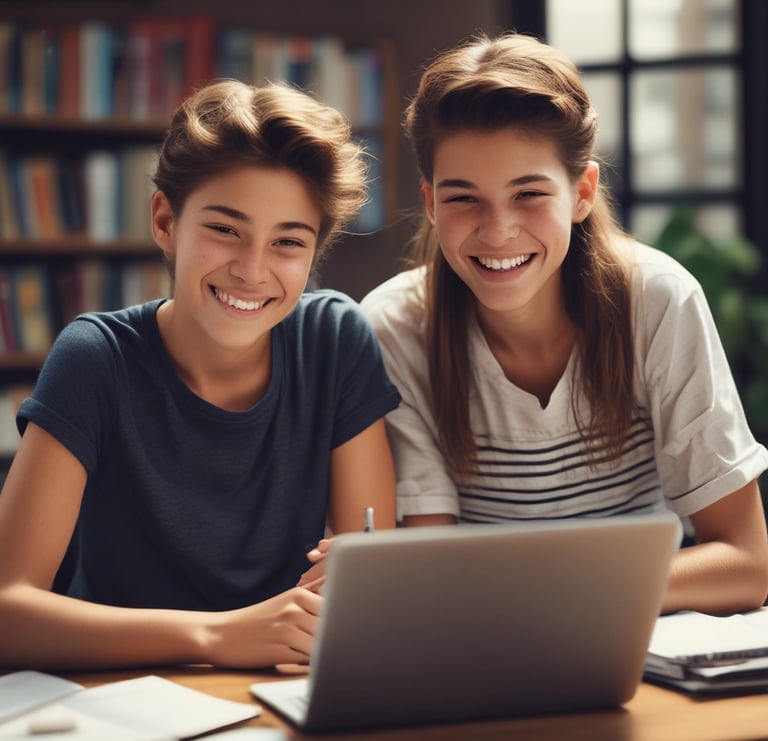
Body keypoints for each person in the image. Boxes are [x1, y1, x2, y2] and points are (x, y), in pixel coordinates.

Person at [360, 33, 768, 616]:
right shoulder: (392, 330)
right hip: (485, 651)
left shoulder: (656, 301)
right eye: (463, 198)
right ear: (429, 202)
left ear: (581, 192)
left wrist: (553, 595)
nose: (497, 230)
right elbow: (430, 569)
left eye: (528, 193)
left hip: (638, 647)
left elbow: (746, 564)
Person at [0, 79, 400, 670]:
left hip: (275, 692)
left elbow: (372, 574)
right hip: (118, 701)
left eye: (288, 241)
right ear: (165, 220)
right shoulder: (96, 358)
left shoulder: (334, 339)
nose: (252, 269)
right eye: (225, 229)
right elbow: (9, 611)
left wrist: (361, 583)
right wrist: (217, 636)